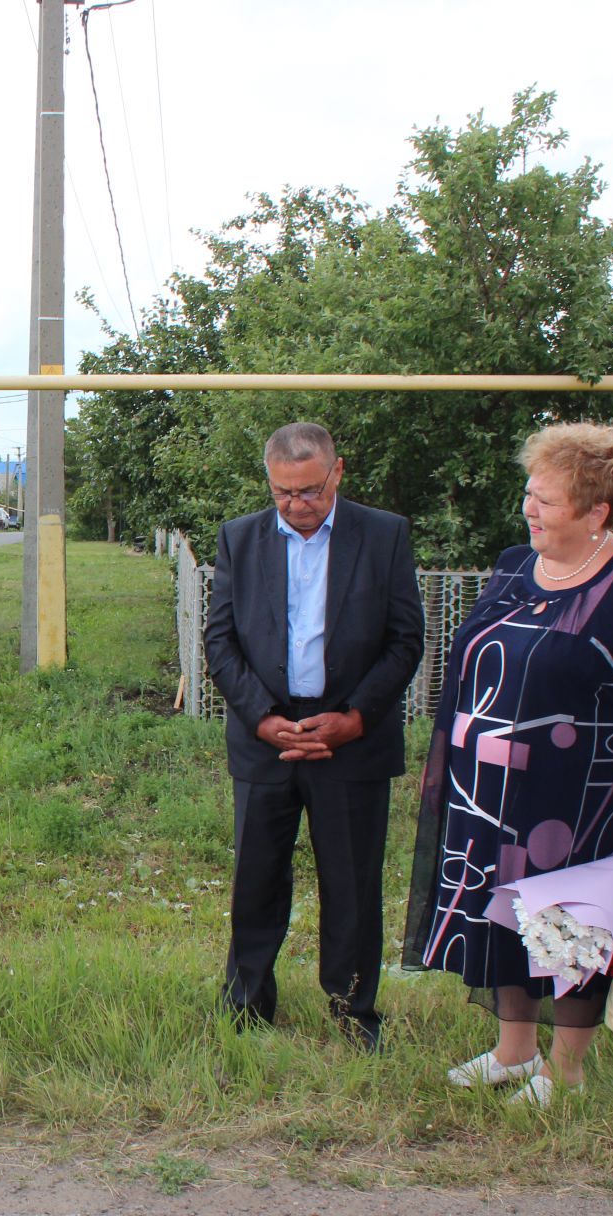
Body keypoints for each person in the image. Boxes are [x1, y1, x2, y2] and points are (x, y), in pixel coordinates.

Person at [403, 422, 613, 1105]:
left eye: (546, 500)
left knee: (570, 927)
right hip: (494, 792)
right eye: (529, 494)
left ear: (597, 511)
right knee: (505, 914)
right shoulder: (515, 565)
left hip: (581, 799)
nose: (528, 509)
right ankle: (514, 1051)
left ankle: (563, 1072)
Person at [203, 422, 425, 1050]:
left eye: (309, 492)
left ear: (337, 473)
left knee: (353, 884)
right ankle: (246, 1008)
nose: (297, 506)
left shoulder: (384, 536)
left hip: (351, 739)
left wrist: (356, 717)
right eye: (282, 493)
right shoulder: (239, 539)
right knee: (256, 878)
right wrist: (262, 719)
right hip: (265, 737)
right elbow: (220, 641)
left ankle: (354, 1012)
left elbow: (405, 639)